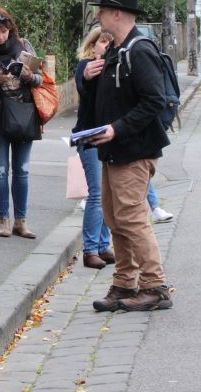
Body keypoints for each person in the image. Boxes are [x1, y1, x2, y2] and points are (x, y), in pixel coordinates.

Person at [83, 0, 173, 312]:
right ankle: (124, 283)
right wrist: (89, 79)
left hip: (134, 150)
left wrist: (116, 129)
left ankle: (155, 286)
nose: (98, 16)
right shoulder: (114, 51)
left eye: (103, 10)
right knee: (114, 217)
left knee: (132, 218)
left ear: (118, 13)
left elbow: (155, 101)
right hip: (113, 150)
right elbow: (106, 102)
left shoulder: (139, 50)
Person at [0, 9, 44, 239]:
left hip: (23, 113)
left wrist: (27, 77)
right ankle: (4, 220)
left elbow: (40, 79)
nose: (1, 37)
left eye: (4, 31)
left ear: (10, 29)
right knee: (0, 171)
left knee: (22, 170)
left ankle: (20, 221)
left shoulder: (23, 45)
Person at [74, 27, 115, 270]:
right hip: (89, 137)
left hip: (108, 137)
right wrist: (89, 76)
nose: (106, 45)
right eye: (102, 41)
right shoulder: (86, 66)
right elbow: (83, 83)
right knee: (96, 193)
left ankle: (102, 244)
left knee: (107, 193)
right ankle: (90, 249)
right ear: (92, 44)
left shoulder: (113, 67)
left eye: (110, 42)